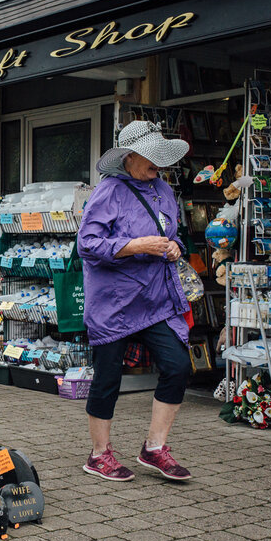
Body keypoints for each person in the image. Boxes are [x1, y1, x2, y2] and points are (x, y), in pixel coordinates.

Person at [76, 120, 193, 482]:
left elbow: (172, 235)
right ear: (130, 157)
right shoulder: (108, 191)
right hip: (113, 302)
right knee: (108, 377)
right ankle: (99, 455)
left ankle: (154, 449)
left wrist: (175, 247)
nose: (159, 164)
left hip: (155, 299)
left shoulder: (165, 190)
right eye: (152, 157)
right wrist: (134, 246)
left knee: (178, 366)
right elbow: (88, 244)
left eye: (162, 157)